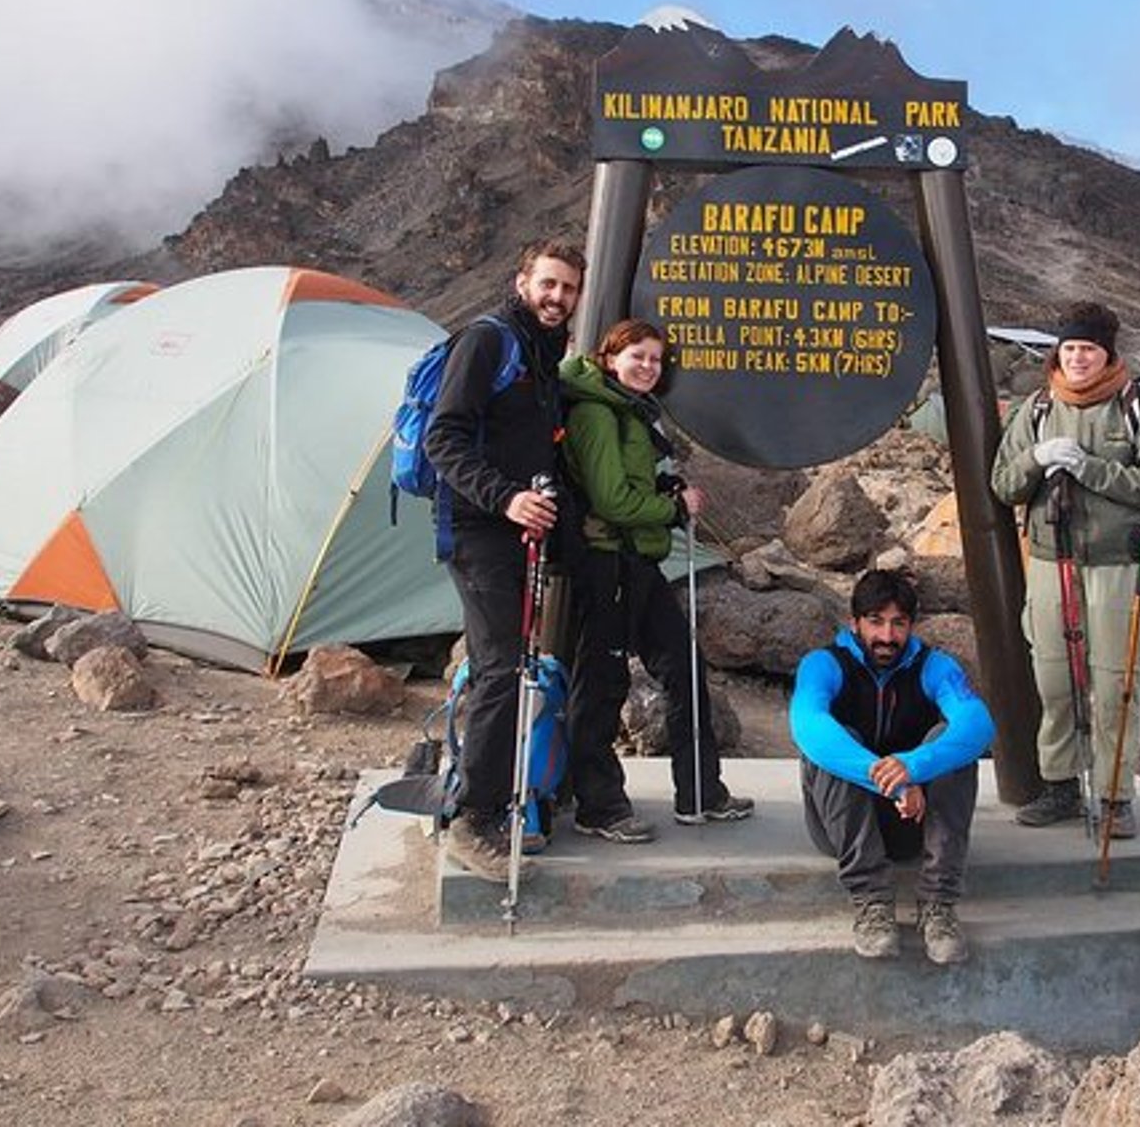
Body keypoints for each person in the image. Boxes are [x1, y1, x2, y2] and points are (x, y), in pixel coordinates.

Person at [424, 238, 584, 881]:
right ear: (522, 282)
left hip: (519, 533)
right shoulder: (488, 341)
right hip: (478, 532)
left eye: (568, 288)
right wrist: (507, 498)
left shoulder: (542, 352)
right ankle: (473, 819)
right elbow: (443, 437)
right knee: (499, 672)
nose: (557, 297)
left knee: (513, 666)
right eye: (548, 284)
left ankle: (501, 795)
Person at [989, 301, 1140, 837]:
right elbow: (1003, 484)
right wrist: (1035, 459)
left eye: (1088, 349)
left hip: (1117, 565)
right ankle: (1060, 786)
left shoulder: (1139, 406)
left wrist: (1088, 469)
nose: (1077, 358)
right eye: (1069, 348)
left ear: (1107, 354)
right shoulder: (1037, 409)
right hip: (1051, 562)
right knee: (1053, 679)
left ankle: (1116, 797)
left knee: (1117, 684)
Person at [560, 318, 752, 841]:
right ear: (610, 359)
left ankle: (701, 793)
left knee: (684, 670)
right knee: (602, 685)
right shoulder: (597, 413)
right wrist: (672, 508)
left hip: (637, 563)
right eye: (637, 356)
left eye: (655, 359)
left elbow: (628, 485)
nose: (648, 366)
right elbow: (611, 501)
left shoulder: (630, 410)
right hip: (607, 563)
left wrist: (664, 486)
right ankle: (599, 806)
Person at [788, 569, 995, 964]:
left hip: (912, 823)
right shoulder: (823, 664)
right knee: (833, 741)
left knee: (952, 744)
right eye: (875, 621)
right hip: (840, 825)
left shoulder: (934, 666)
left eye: (898, 623)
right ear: (854, 623)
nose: (887, 636)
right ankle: (872, 902)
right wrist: (895, 781)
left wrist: (914, 765)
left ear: (911, 625)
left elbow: (978, 724)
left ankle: (938, 905)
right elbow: (808, 726)